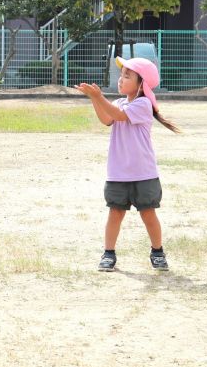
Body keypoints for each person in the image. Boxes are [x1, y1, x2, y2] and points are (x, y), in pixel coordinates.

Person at [76, 57, 181, 273]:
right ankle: (108, 253)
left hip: (144, 173)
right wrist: (94, 99)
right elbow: (107, 119)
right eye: (121, 75)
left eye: (127, 76)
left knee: (148, 214)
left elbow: (119, 117)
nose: (121, 80)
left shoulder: (143, 104)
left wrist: (99, 96)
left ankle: (157, 251)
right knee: (115, 213)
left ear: (141, 83)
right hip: (118, 173)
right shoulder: (119, 103)